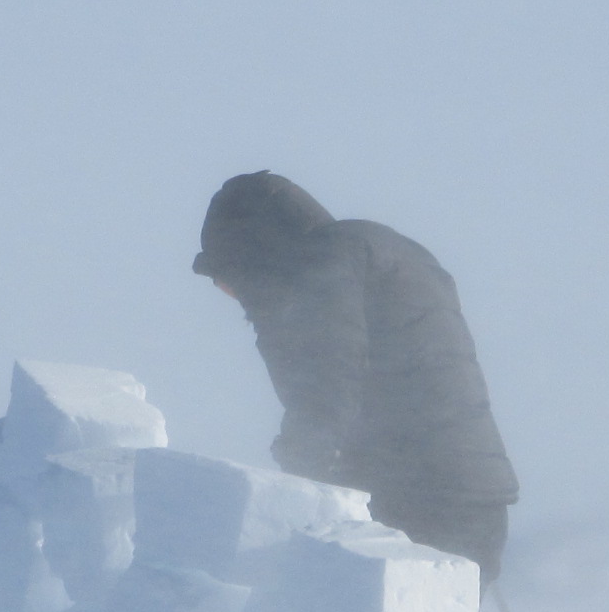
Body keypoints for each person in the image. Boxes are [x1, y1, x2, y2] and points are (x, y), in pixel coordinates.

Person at [192, 172, 519, 584]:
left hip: (413, 496)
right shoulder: (383, 253)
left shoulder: (325, 262)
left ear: (256, 253)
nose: (235, 296)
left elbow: (329, 369)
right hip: (472, 492)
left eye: (228, 281)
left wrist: (303, 462)